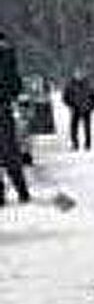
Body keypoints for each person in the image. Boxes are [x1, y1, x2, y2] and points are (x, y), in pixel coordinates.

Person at [0, 31, 29, 204]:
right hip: (3, 109)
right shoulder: (8, 57)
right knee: (9, 151)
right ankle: (22, 191)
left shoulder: (8, 57)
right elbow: (16, 86)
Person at [62, 70, 94, 151]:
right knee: (73, 127)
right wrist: (71, 105)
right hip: (75, 108)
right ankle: (75, 144)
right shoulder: (70, 84)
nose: (79, 75)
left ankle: (87, 144)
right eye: (77, 74)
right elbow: (65, 97)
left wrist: (90, 106)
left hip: (86, 109)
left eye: (81, 74)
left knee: (87, 128)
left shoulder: (88, 84)